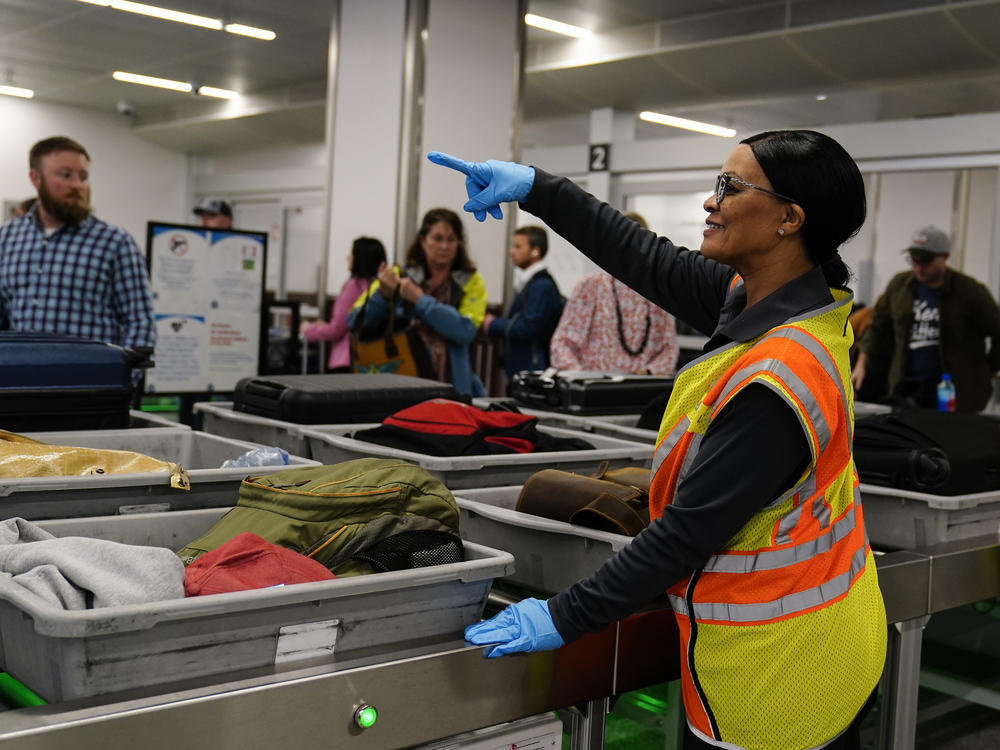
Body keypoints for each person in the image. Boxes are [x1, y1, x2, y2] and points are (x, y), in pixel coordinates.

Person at [429, 131, 886, 750]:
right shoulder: (776, 302)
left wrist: (562, 616)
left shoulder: (780, 378)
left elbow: (683, 536)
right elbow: (641, 253)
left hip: (776, 674)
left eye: (731, 187)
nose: (711, 201)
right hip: (829, 633)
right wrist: (539, 188)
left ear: (788, 219)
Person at [0, 136, 155, 353]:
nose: (77, 185)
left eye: (83, 176)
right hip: (20, 380)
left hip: (90, 382)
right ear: (35, 179)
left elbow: (140, 322)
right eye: (65, 175)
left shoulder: (115, 242)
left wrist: (121, 378)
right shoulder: (7, 238)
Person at [852, 226, 1000, 411]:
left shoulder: (968, 291)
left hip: (954, 394)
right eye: (913, 260)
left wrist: (986, 371)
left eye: (926, 261)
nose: (918, 267)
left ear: (945, 257)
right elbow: (877, 327)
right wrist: (861, 364)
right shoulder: (900, 286)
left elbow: (997, 330)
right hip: (906, 388)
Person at [350, 208, 487, 396]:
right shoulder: (397, 276)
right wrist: (382, 295)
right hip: (399, 384)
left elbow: (465, 331)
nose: (445, 246)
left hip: (451, 388)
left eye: (451, 239)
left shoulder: (472, 282)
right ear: (423, 241)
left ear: (459, 243)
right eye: (437, 238)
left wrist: (420, 300)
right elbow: (354, 321)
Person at [549, 212, 678, 375]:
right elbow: (562, 344)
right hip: (594, 390)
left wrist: (648, 373)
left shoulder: (657, 291)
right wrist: (581, 377)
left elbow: (669, 349)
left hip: (641, 392)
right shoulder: (590, 286)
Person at [481, 225, 563, 379]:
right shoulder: (531, 283)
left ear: (535, 251)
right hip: (524, 367)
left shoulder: (541, 286)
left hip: (532, 369)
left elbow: (529, 327)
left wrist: (493, 324)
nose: (511, 252)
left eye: (518, 246)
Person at [301, 236, 386, 372]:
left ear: (360, 258)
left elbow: (337, 330)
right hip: (372, 361)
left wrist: (308, 329)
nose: (348, 257)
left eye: (352, 254)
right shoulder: (381, 288)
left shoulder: (354, 286)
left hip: (346, 361)